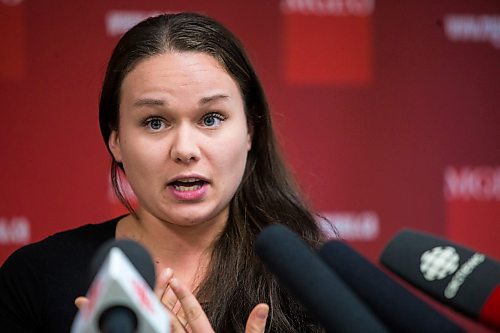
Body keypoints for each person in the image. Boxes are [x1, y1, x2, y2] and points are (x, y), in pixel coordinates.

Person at [0, 12, 327, 332]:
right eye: (155, 122)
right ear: (116, 140)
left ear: (250, 131)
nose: (185, 149)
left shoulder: (314, 280)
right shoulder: (34, 278)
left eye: (211, 118)